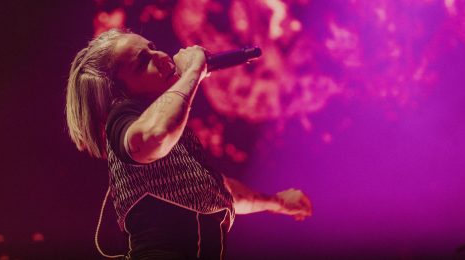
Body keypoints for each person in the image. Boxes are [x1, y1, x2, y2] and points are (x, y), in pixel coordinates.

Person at [66, 29, 312, 259]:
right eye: (143, 62)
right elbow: (154, 135)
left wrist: (276, 202)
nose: (161, 56)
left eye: (152, 48)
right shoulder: (122, 117)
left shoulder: (176, 139)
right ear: (120, 93)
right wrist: (194, 70)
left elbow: (220, 191)